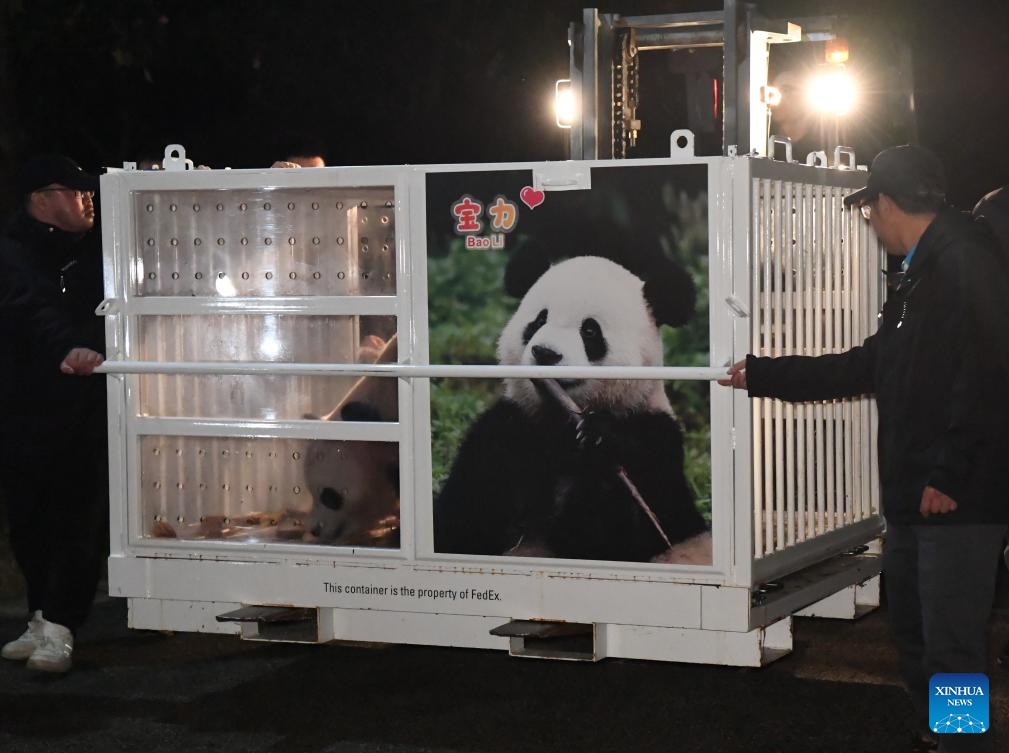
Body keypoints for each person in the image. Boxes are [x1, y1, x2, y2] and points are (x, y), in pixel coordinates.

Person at [720, 145, 1009, 753]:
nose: (870, 224)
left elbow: (990, 376)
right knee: (914, 632)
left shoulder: (966, 264)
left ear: (885, 203)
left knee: (952, 644)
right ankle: (940, 733)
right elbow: (869, 364)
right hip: (914, 497)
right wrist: (765, 374)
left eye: (868, 211)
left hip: (955, 499)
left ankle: (965, 745)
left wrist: (949, 473)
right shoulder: (921, 273)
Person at [0, 154, 108, 674]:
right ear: (41, 200)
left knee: (78, 513)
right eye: (75, 190)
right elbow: (28, 304)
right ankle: (41, 617)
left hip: (82, 404)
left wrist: (82, 350)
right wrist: (66, 348)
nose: (88, 198)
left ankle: (61, 624)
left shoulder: (99, 247)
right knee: (29, 515)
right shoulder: (13, 251)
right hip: (24, 403)